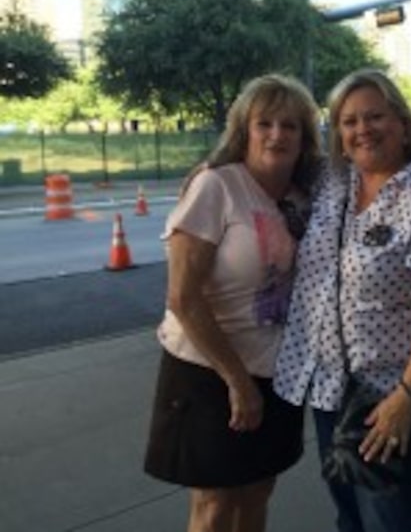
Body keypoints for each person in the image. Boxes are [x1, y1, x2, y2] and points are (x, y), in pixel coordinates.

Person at [273, 69, 411, 532]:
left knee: (389, 518)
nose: (362, 129)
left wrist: (405, 398)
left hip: (399, 389)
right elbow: (264, 154)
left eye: (375, 117)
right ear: (339, 136)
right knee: (350, 514)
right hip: (332, 386)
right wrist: (213, 169)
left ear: (402, 124)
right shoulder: (332, 186)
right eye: (349, 121)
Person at [143, 74, 323, 532]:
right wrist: (237, 382)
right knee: (215, 502)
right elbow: (183, 298)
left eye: (290, 126)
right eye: (265, 123)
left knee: (258, 490)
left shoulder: (304, 197)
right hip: (209, 370)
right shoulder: (216, 186)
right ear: (245, 129)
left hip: (277, 370)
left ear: (305, 137)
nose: (277, 135)